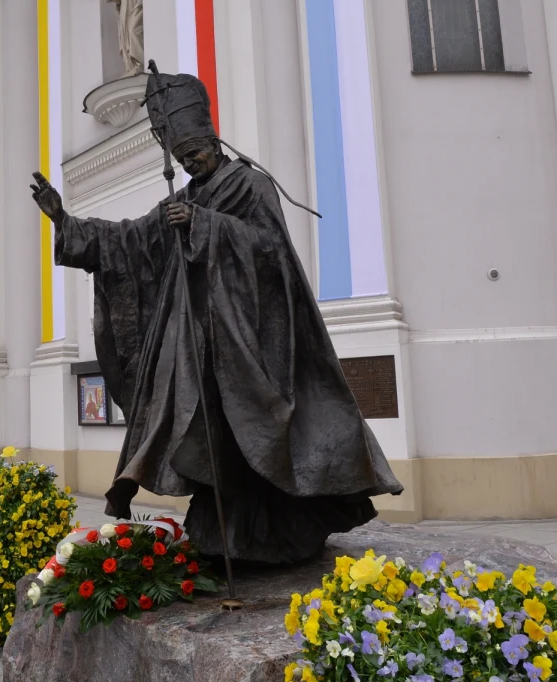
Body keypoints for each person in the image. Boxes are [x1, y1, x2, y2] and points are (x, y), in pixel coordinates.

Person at [31, 68, 402, 566]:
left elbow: (273, 250)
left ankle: (281, 530)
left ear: (212, 138)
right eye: (182, 158)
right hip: (200, 346)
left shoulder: (248, 186)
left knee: (259, 432)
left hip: (249, 343)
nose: (189, 163)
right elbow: (131, 241)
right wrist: (64, 219)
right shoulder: (184, 197)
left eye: (194, 152)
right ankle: (224, 530)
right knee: (210, 435)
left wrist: (207, 226)